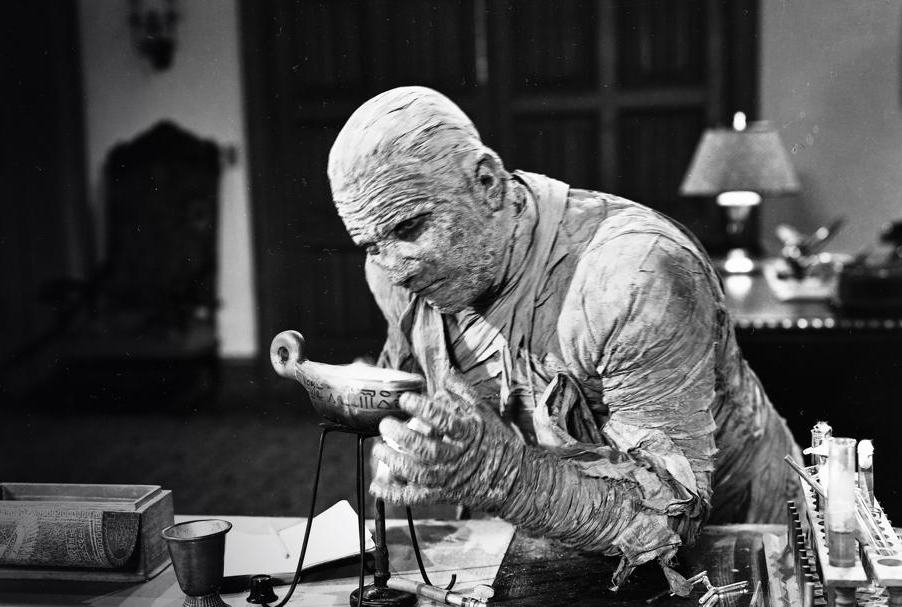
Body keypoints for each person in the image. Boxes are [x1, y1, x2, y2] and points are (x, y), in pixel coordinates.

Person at [326, 86, 802, 590]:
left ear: (486, 183)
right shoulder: (393, 275)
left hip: (746, 544)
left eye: (410, 228)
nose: (395, 269)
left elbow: (669, 522)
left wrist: (502, 475)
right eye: (371, 244)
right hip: (550, 541)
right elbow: (417, 390)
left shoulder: (634, 274)